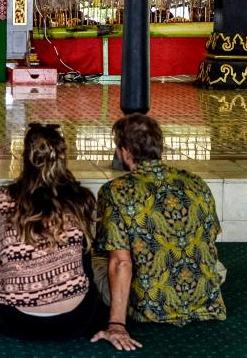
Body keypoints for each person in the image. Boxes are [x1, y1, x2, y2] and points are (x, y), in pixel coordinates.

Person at [91, 114, 226, 351]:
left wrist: (116, 325)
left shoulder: (115, 191)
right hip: (203, 299)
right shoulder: (196, 182)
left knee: (89, 260)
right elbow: (210, 239)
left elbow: (121, 263)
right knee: (219, 266)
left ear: (125, 152)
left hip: (149, 306)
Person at [0, 123, 106, 341]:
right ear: (62, 157)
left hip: (14, 318)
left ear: (24, 157)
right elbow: (84, 258)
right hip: (75, 318)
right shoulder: (81, 198)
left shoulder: (0, 197)